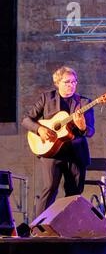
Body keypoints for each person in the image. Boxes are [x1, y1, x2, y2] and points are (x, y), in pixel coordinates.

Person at [22, 66, 95, 216]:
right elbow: (26, 120)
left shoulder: (84, 102)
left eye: (74, 82)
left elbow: (90, 131)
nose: (71, 85)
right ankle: (39, 228)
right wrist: (40, 129)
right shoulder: (47, 98)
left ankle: (70, 229)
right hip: (51, 153)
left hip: (75, 154)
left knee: (74, 194)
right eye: (67, 82)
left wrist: (82, 127)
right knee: (49, 188)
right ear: (57, 82)